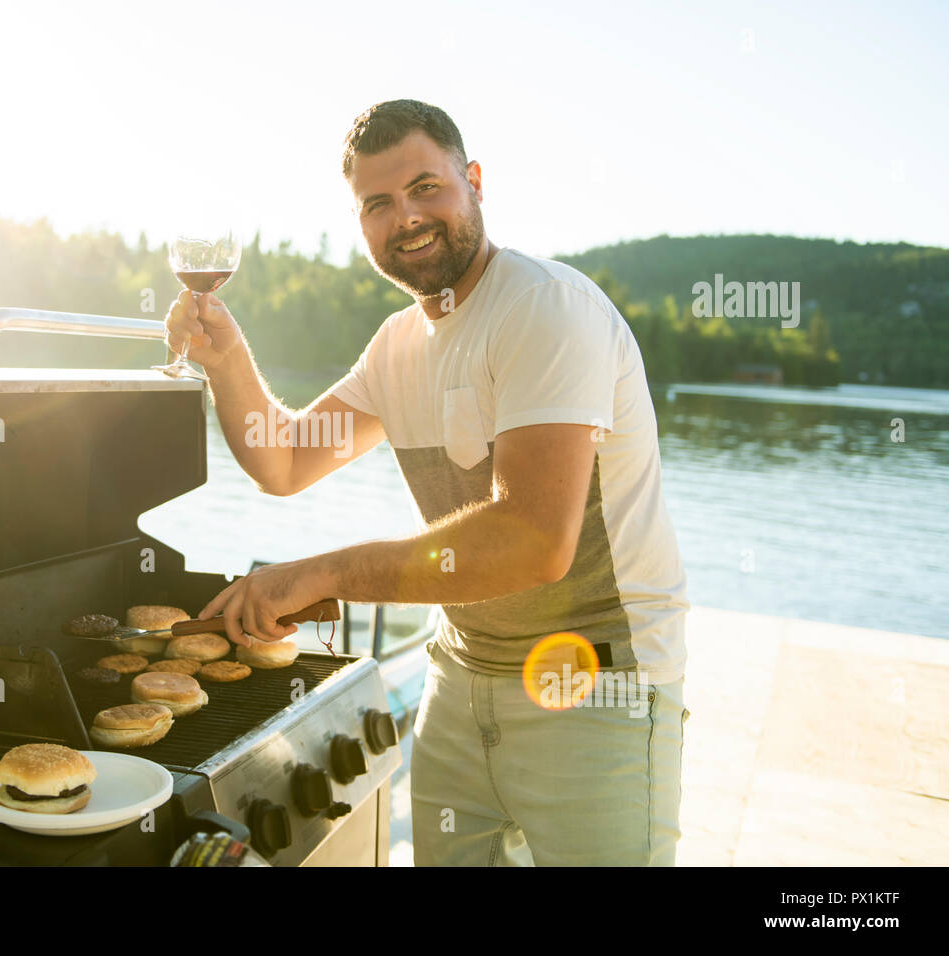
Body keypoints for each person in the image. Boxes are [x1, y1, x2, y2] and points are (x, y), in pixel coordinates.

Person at [163, 99, 690, 866]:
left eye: (425, 188)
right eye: (378, 204)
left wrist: (321, 573)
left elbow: (534, 541)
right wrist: (227, 360)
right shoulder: (397, 346)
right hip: (460, 673)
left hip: (598, 687)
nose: (405, 217)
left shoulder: (545, 308)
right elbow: (282, 458)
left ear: (473, 182)